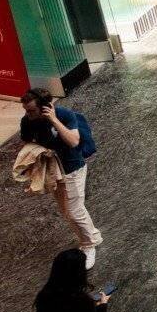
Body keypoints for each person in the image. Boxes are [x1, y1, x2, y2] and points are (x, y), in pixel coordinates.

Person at [19, 89, 102, 268]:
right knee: (66, 211)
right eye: (26, 110)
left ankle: (89, 245)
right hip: (53, 171)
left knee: (75, 210)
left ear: (45, 108)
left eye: (31, 110)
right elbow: (28, 144)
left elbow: (73, 141)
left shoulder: (64, 115)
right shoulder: (27, 121)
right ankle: (90, 236)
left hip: (72, 168)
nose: (28, 114)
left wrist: (53, 120)